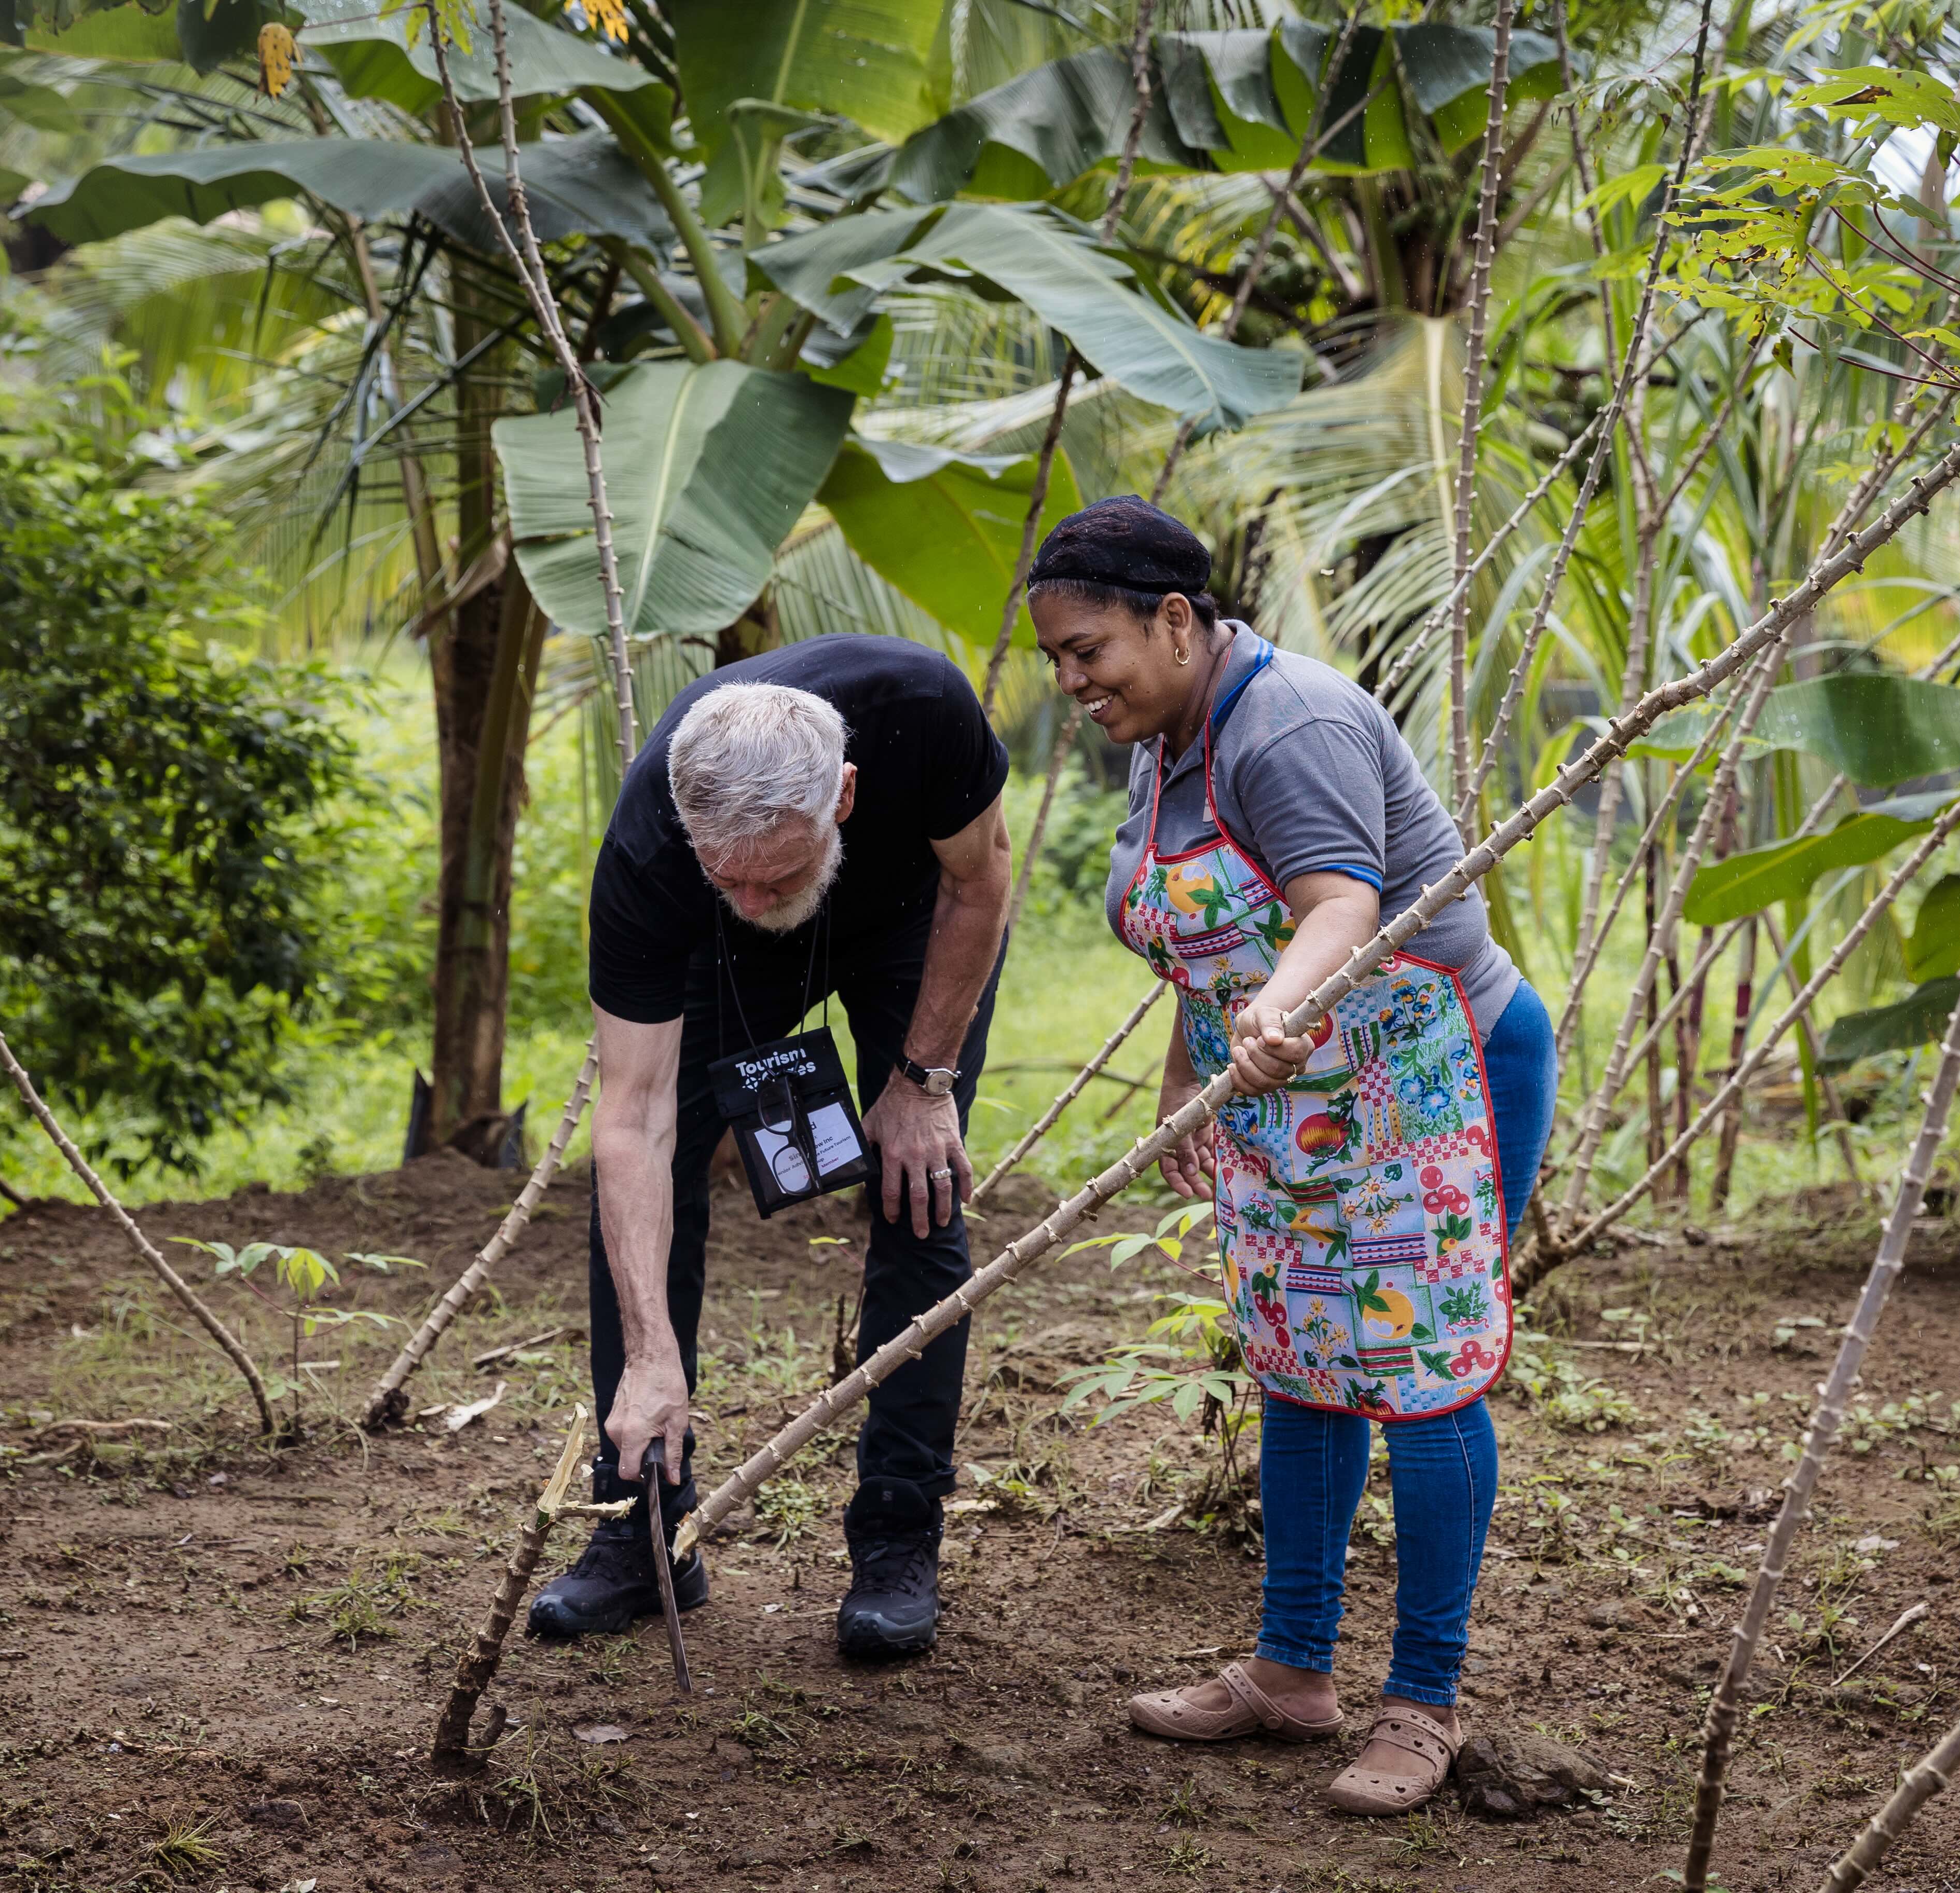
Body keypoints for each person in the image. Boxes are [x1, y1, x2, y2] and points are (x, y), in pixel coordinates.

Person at [1029, 498, 1556, 1816]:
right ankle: (1289, 1672)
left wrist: (1275, 1014)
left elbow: (1341, 907)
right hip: (1283, 1092)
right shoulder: (1166, 736)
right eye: (1055, 661)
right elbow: (1196, 939)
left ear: (1174, 619)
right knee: (1303, 1362)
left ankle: (1425, 1704)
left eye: (1088, 649)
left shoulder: (1289, 718)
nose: (1072, 682)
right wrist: (1193, 1082)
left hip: (1434, 1073)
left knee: (1423, 1375)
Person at [526, 636, 1013, 1660]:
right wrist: (651, 1354)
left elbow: (981, 883)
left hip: (910, 920)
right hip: (718, 967)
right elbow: (632, 1119)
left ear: (841, 796)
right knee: (641, 1211)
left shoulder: (927, 713)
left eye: (772, 873)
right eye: (727, 873)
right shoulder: (655, 852)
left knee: (916, 1188)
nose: (754, 893)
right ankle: (640, 1533)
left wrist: (924, 1083)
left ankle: (896, 1537)